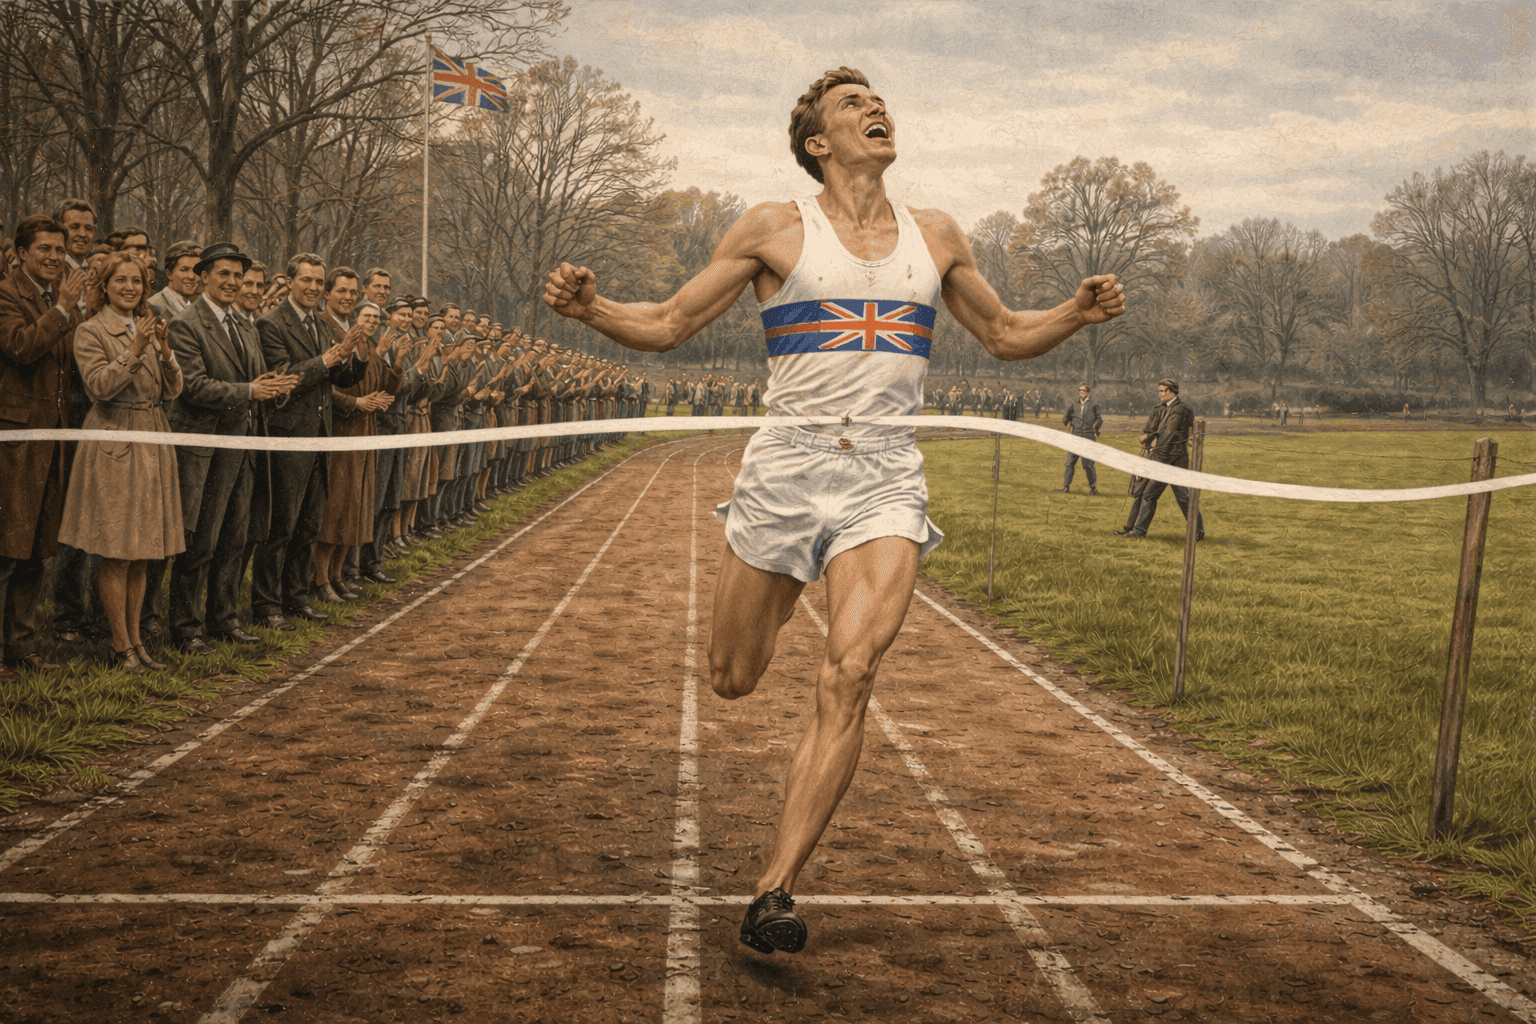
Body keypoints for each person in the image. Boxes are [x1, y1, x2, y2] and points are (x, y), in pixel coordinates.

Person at [544, 65, 1124, 955]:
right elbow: (665, 324)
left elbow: (1007, 335)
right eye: (853, 105)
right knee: (732, 678)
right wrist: (592, 310)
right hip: (786, 468)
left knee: (850, 673)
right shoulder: (776, 227)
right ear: (819, 142)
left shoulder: (934, 235)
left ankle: (774, 889)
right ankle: (760, 642)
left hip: (884, 475)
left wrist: (1073, 316)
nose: (875, 109)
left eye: (878, 101)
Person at [55, 251, 184, 670]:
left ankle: (137, 643)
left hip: (152, 437)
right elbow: (99, 387)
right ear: (105, 287)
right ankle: (119, 643)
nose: (130, 288)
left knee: (142, 550)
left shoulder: (148, 327)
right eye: (120, 281)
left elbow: (174, 390)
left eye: (137, 282)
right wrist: (136, 347)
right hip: (114, 443)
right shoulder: (91, 330)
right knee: (116, 550)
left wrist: (164, 352)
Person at [167, 244, 297, 652]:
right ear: (204, 277)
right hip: (206, 452)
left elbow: (257, 381)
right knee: (200, 542)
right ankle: (187, 629)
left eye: (236, 276)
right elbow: (193, 386)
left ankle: (224, 619)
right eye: (222, 274)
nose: (231, 282)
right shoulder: (185, 324)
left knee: (235, 539)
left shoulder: (244, 326)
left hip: (245, 448)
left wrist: (273, 389)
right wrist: (251, 390)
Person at [252, 253, 368, 630]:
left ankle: (296, 597)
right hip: (289, 437)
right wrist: (326, 358)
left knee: (308, 524)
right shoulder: (271, 324)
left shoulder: (319, 324)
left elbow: (340, 379)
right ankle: (267, 605)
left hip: (321, 437)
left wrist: (355, 353)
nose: (314, 288)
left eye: (319, 282)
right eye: (307, 281)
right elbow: (282, 377)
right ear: (289, 282)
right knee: (281, 526)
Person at [0, 215, 86, 675]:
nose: (54, 257)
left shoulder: (59, 299)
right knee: (7, 546)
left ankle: (20, 647)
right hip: (16, 443)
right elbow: (19, 346)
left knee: (35, 547)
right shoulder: (6, 294)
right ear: (20, 253)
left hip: (52, 440)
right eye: (45, 250)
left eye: (60, 250)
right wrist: (64, 310)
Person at [313, 301, 397, 604]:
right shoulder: (344, 341)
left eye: (376, 317)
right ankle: (321, 578)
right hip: (344, 433)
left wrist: (390, 360)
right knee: (336, 506)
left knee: (357, 507)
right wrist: (358, 404)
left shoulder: (372, 346)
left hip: (366, 434)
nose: (371, 322)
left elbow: (387, 386)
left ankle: (337, 575)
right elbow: (334, 389)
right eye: (366, 317)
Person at [1114, 378, 1204, 540]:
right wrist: (1149, 437)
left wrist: (1153, 441)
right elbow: (1149, 430)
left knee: (1182, 498)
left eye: (1164, 391)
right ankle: (1138, 530)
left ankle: (1197, 532)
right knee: (1148, 495)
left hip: (1174, 459)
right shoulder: (1158, 409)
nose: (1161, 394)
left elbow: (1168, 434)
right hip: (1159, 457)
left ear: (1173, 392)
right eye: (1159, 391)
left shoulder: (1181, 410)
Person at [1057, 382, 1101, 494]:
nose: (1081, 392)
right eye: (1080, 390)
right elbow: (1066, 417)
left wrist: (1095, 428)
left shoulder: (1094, 404)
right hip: (1075, 437)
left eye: (1083, 390)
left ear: (1087, 392)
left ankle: (1093, 488)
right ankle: (1066, 487)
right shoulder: (1074, 404)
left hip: (1088, 437)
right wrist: (1068, 424)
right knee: (1069, 463)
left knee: (1088, 465)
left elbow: (1099, 419)